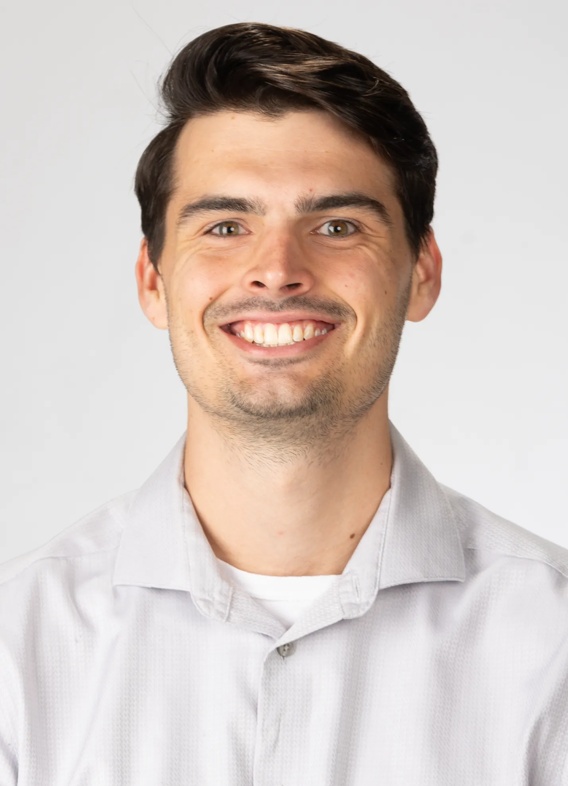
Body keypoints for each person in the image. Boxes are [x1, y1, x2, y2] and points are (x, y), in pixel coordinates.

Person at [1, 21, 567, 785]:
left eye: (337, 225)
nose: (277, 271)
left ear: (422, 273)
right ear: (152, 281)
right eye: (226, 226)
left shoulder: (552, 646)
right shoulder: (16, 648)